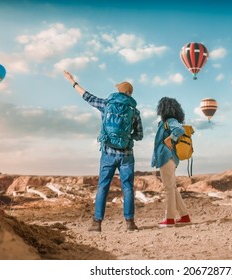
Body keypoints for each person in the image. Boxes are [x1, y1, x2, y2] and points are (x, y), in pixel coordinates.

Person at [63, 70, 143, 232]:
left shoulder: (107, 104)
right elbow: (140, 135)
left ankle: (96, 224)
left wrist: (73, 81)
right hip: (126, 155)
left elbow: (87, 96)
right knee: (127, 188)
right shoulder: (134, 112)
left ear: (119, 91)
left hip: (107, 153)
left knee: (103, 187)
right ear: (130, 94)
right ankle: (130, 223)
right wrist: (128, 137)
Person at [151, 97, 191, 228]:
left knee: (168, 189)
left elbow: (180, 130)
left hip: (167, 158)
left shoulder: (170, 121)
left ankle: (169, 219)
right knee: (172, 187)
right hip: (170, 158)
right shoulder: (166, 122)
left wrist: (170, 139)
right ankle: (184, 216)